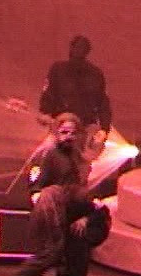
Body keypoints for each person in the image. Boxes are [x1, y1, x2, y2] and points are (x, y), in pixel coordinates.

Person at [15, 113, 111, 276]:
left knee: (78, 245)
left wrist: (86, 216)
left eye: (73, 133)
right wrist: (48, 210)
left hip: (75, 210)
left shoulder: (79, 157)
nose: (69, 137)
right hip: (55, 209)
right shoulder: (48, 155)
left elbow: (85, 190)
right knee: (52, 250)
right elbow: (36, 188)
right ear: (57, 132)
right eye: (64, 132)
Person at [35, 35, 112, 183]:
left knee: (81, 169)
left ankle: (77, 189)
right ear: (71, 49)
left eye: (83, 49)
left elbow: (103, 103)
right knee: (51, 157)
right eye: (77, 48)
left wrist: (104, 129)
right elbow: (48, 95)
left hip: (85, 127)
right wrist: (46, 113)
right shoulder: (58, 69)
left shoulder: (96, 74)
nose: (79, 52)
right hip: (61, 124)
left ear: (87, 51)